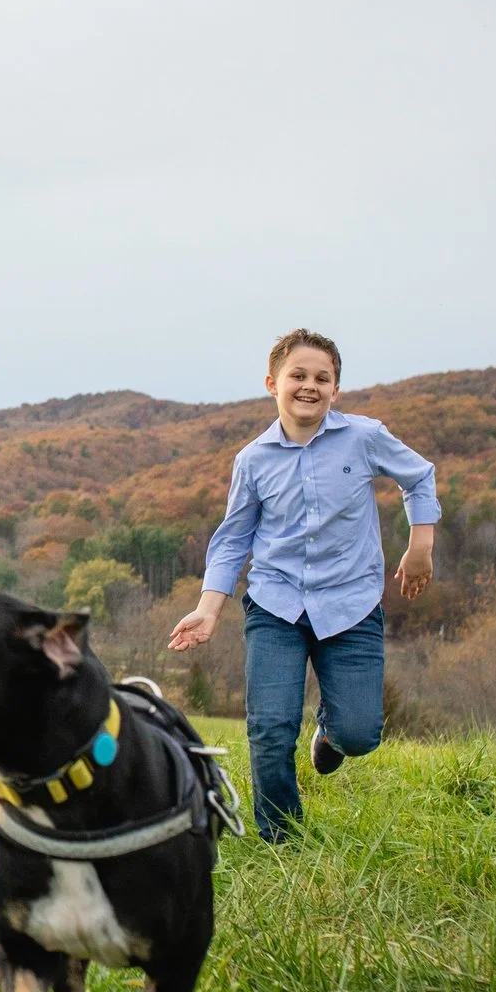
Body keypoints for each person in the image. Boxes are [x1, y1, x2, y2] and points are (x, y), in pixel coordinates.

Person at [169, 330, 438, 841]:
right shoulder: (253, 460)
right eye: (298, 375)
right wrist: (209, 609)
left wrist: (419, 545)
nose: (309, 386)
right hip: (276, 605)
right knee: (270, 729)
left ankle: (332, 732)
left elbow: (419, 477)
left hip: (352, 604)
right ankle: (281, 840)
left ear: (336, 389)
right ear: (273, 384)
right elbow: (233, 539)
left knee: (360, 734)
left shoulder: (363, 437)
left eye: (322, 378)